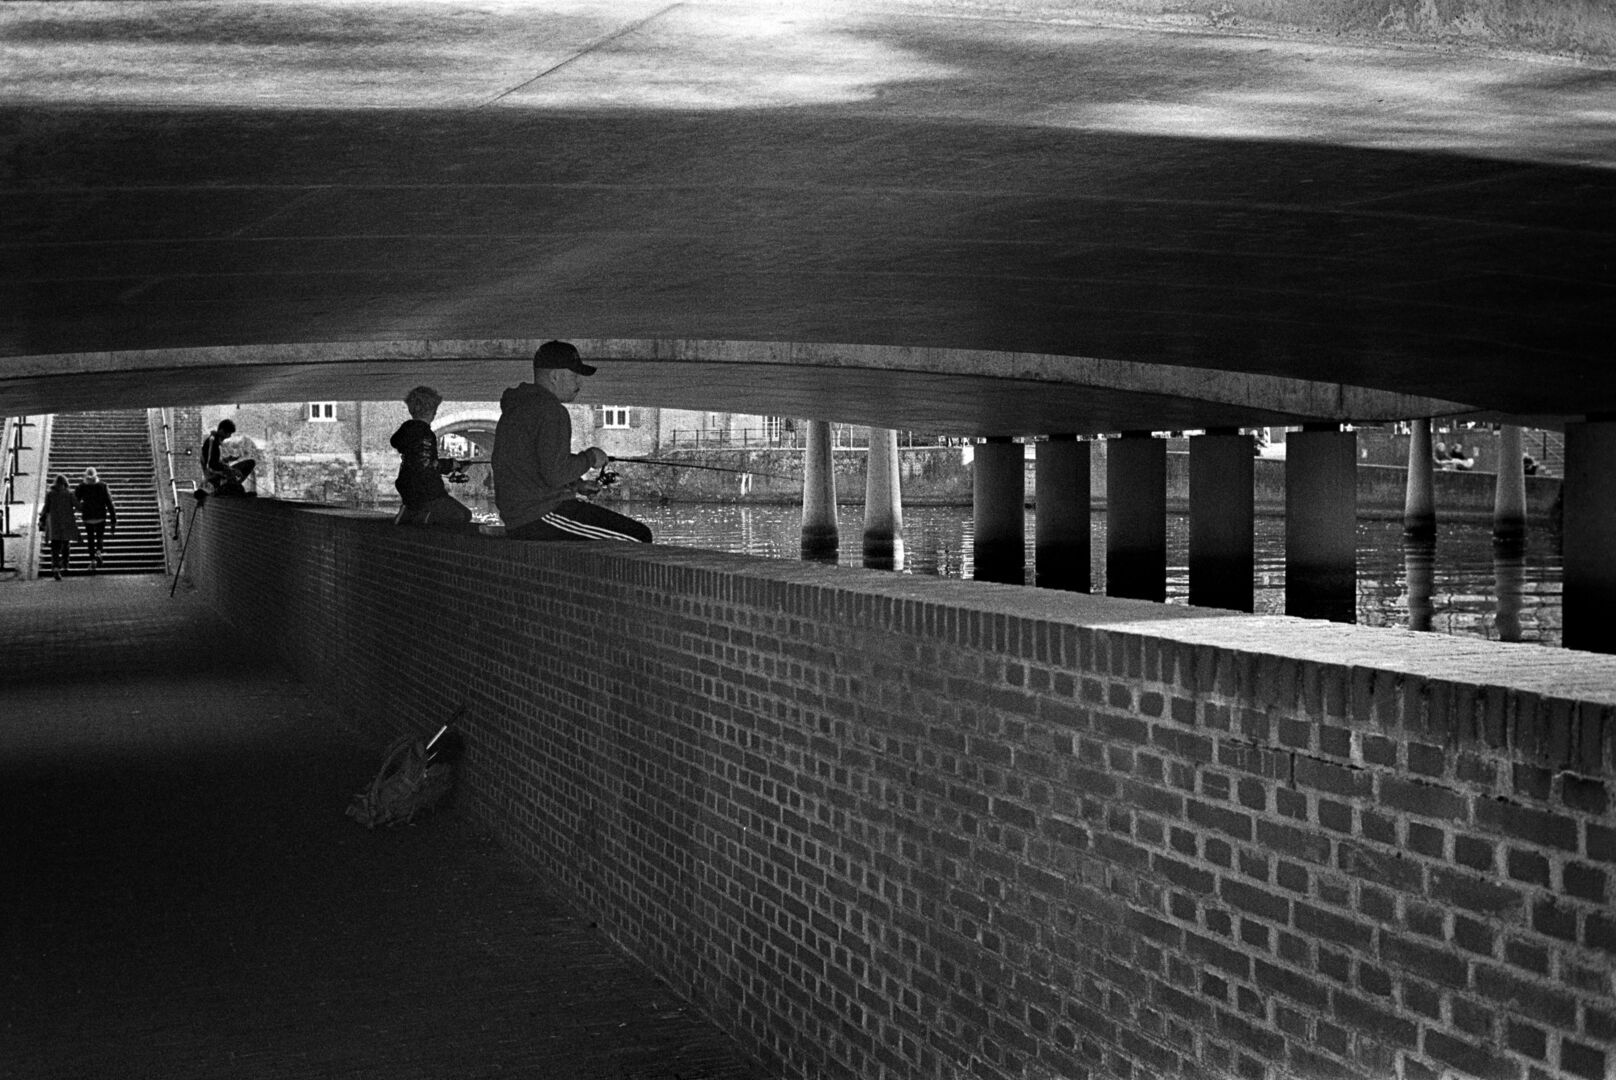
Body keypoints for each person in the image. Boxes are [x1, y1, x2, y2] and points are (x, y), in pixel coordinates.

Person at [491, 341, 652, 543]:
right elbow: (555, 474)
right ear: (554, 376)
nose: (580, 383)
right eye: (574, 375)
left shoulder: (519, 407)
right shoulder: (551, 410)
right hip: (539, 515)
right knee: (639, 536)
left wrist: (577, 485)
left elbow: (533, 465)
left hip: (518, 517)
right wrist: (591, 457)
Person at [390, 386, 472, 527]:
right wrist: (452, 465)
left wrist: (451, 464)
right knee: (463, 515)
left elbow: (419, 460)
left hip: (407, 488)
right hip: (426, 491)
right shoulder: (425, 434)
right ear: (432, 411)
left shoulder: (407, 430)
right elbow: (426, 466)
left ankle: (410, 511)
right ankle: (422, 517)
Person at [74, 467, 117, 572]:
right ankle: (98, 552)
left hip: (88, 516)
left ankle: (92, 560)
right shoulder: (103, 486)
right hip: (100, 516)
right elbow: (109, 503)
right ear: (96, 475)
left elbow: (75, 501)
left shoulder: (81, 486)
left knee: (90, 538)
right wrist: (113, 519)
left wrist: (77, 511)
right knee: (100, 536)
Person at [38, 474, 79, 580]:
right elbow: (78, 506)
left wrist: (41, 518)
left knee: (55, 547)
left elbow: (46, 508)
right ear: (65, 483)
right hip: (66, 523)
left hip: (54, 524)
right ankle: (65, 565)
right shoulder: (69, 494)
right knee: (66, 545)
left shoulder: (50, 494)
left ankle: (56, 568)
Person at [200, 418, 256, 495]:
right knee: (250, 463)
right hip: (215, 475)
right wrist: (231, 470)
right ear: (222, 431)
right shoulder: (213, 443)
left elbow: (214, 460)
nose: (229, 436)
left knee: (249, 463)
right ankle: (229, 486)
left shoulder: (214, 441)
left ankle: (232, 485)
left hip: (217, 472)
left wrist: (226, 459)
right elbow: (212, 465)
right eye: (229, 433)